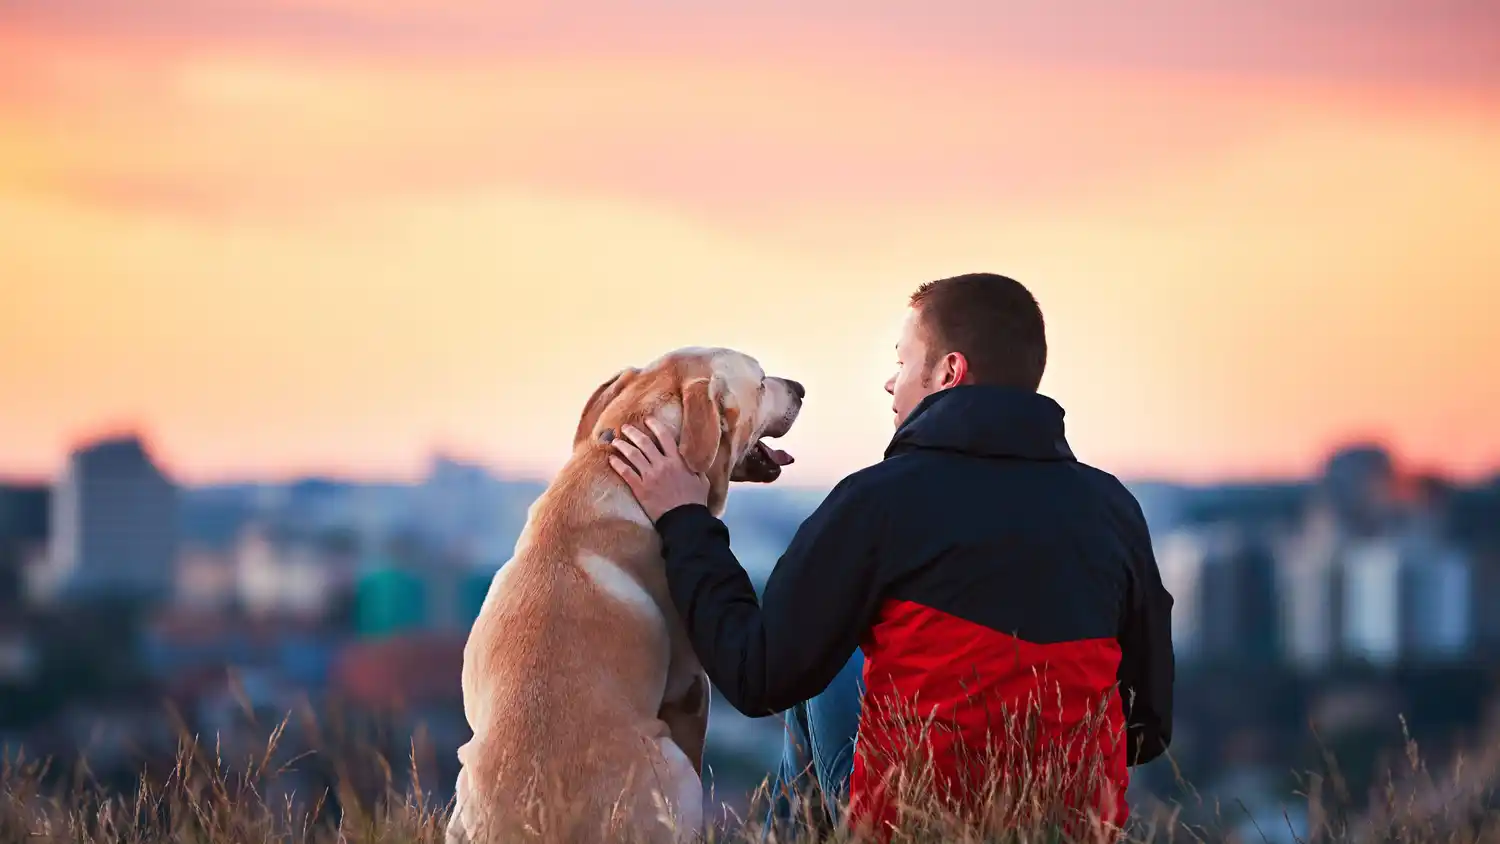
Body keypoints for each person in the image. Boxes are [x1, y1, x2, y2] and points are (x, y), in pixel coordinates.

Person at [606, 273, 1174, 837]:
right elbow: (1147, 725)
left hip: (915, 826)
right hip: (1071, 828)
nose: (889, 382)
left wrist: (685, 518)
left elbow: (756, 675)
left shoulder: (879, 500)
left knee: (818, 669)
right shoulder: (1113, 510)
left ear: (949, 372)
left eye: (903, 362)